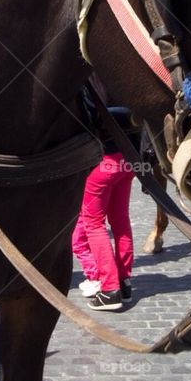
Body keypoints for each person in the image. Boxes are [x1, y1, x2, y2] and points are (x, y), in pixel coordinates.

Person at [72, 106, 138, 311]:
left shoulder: (92, 87)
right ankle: (124, 282)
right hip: (128, 160)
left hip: (104, 162)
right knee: (120, 221)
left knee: (93, 224)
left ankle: (110, 289)